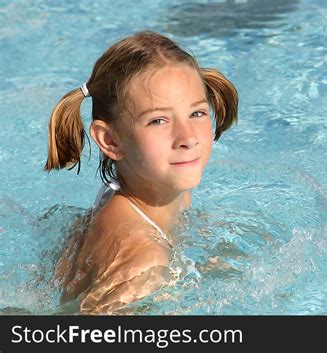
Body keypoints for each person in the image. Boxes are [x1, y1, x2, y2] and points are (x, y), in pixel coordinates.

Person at [44, 31, 238, 314]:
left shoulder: (149, 188)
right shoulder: (144, 265)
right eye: (158, 120)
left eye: (196, 113)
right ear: (110, 141)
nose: (187, 137)